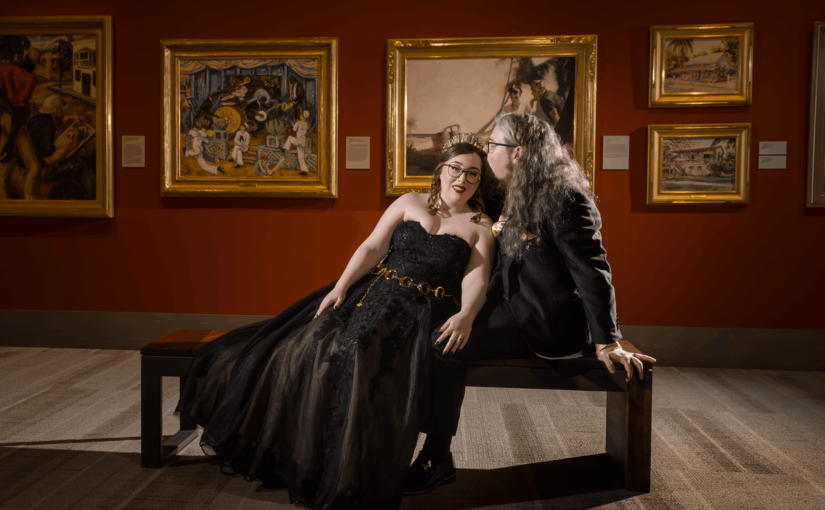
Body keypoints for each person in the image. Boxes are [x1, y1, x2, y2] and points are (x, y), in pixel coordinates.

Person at [176, 139, 495, 509]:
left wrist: (467, 314)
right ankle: (304, 457)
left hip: (419, 310)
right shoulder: (408, 202)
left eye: (472, 173)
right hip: (373, 291)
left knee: (360, 358)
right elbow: (372, 247)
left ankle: (348, 469)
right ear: (440, 170)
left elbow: (477, 279)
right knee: (306, 348)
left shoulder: (479, 224)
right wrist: (341, 286)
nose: (463, 178)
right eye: (455, 168)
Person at [402, 113, 656, 495]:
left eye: (494, 146)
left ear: (517, 153)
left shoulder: (564, 197)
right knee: (430, 327)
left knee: (443, 346)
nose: (487, 152)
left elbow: (593, 271)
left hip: (539, 317)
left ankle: (436, 458)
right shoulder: (507, 189)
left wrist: (608, 339)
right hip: (506, 302)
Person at [0, 48, 40, 164]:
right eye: (35, 65)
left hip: (3, 117)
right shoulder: (30, 78)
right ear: (31, 63)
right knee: (34, 167)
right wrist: (10, 143)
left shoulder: (4, 69)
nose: (35, 68)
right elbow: (21, 106)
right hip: (14, 122)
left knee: (3, 167)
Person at [274, 109, 310, 175]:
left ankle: (285, 149)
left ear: (303, 116)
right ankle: (305, 170)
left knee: (290, 138)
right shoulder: (306, 124)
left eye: (301, 115)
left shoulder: (298, 122)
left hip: (298, 141)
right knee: (301, 157)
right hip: (303, 142)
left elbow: (294, 129)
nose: (300, 115)